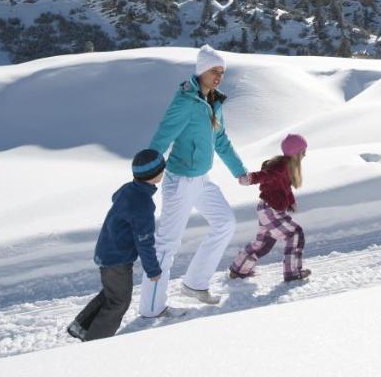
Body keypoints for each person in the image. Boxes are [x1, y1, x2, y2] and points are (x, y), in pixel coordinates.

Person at [138, 45, 249, 316]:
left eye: (222, 72)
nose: (219, 76)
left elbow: (220, 140)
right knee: (166, 244)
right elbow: (162, 138)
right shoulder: (185, 102)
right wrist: (144, 176)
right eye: (214, 71)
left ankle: (195, 283)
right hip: (180, 181)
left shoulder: (213, 101)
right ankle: (152, 308)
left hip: (201, 179)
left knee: (225, 222)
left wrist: (239, 171)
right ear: (201, 71)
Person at [67, 149, 165, 341]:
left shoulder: (129, 189)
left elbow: (118, 203)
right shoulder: (143, 203)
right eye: (162, 170)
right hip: (117, 259)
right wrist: (153, 270)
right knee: (119, 301)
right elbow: (144, 241)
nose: (163, 172)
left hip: (106, 250)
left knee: (111, 292)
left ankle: (81, 327)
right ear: (154, 175)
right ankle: (95, 341)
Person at [228, 133, 311, 283]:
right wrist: (250, 178)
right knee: (295, 234)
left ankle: (238, 270)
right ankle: (292, 272)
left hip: (266, 208)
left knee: (263, 244)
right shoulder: (281, 166)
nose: (305, 154)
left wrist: (291, 201)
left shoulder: (287, 166)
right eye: (303, 151)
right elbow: (267, 175)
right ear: (296, 152)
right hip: (271, 209)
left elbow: (285, 187)